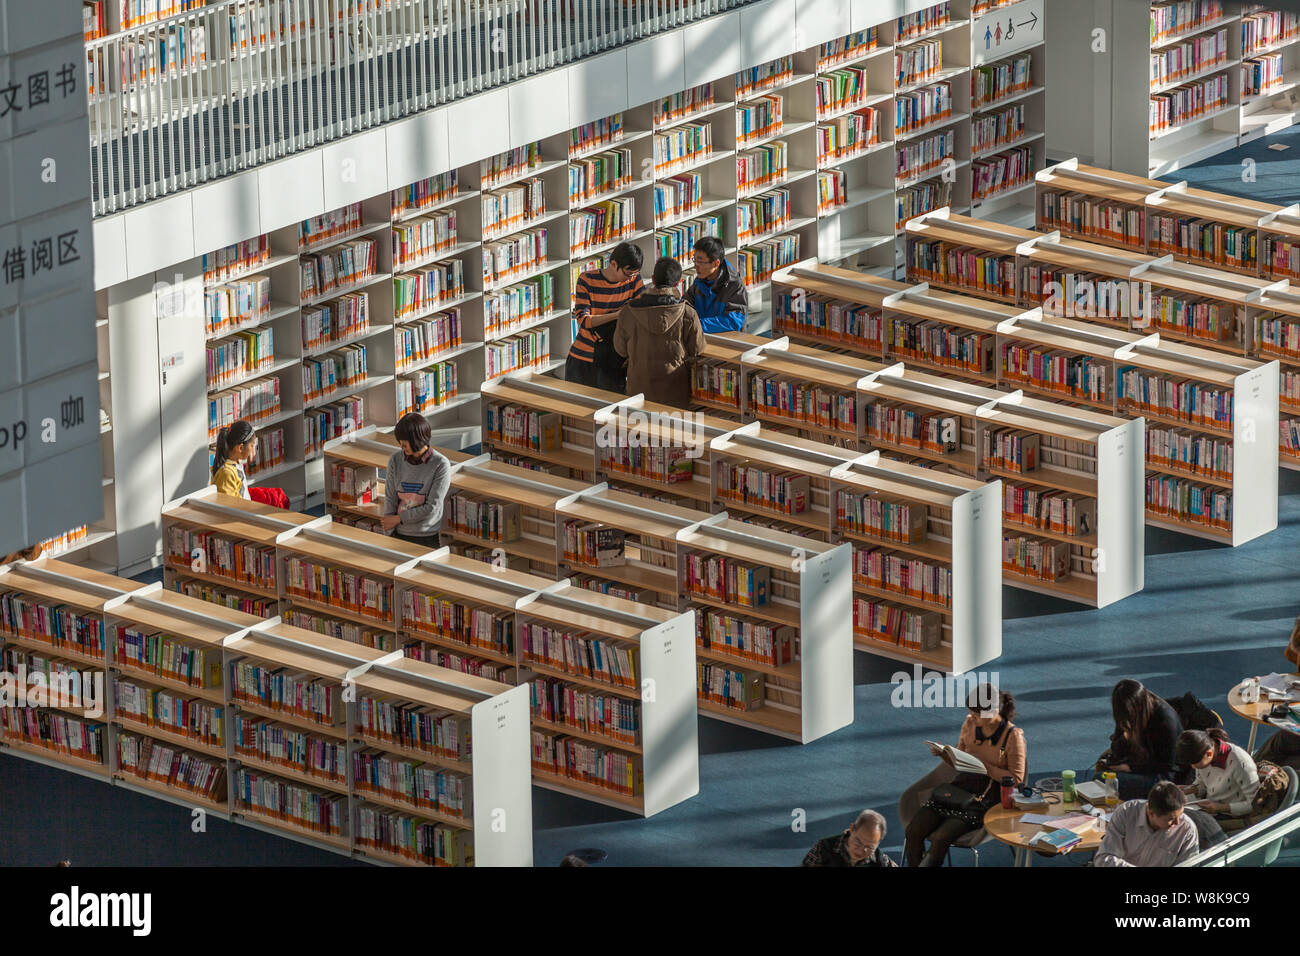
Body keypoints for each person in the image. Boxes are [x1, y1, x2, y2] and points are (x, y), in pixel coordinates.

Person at [904, 684, 1026, 867]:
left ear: (993, 711)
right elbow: (959, 759)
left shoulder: (1013, 735)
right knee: (913, 831)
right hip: (958, 790)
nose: (973, 719)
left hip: (985, 799)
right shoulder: (969, 723)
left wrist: (987, 768)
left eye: (977, 715)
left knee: (941, 839)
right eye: (971, 713)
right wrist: (944, 754)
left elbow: (1016, 779)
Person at [613, 256, 707, 408]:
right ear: (678, 283)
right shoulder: (687, 312)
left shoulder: (628, 311)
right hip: (674, 389)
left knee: (640, 430)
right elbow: (697, 349)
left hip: (638, 388)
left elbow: (620, 349)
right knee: (672, 430)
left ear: (652, 279)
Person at [565, 242, 644, 392]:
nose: (630, 278)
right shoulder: (587, 280)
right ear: (614, 264)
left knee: (612, 412)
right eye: (627, 273)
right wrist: (617, 315)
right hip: (584, 359)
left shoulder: (634, 279)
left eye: (634, 274)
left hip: (614, 359)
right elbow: (583, 320)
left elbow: (641, 310)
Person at [1097, 679, 1191, 799]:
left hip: (1165, 777)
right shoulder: (1131, 714)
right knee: (1105, 776)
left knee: (1101, 780)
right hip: (1143, 764)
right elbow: (1117, 748)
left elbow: (1168, 765)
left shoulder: (1165, 720)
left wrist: (1130, 768)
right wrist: (1125, 737)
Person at [381, 413, 451, 549]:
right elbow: (390, 497)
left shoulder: (441, 465)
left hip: (426, 536)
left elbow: (432, 507)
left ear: (416, 439)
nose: (401, 445)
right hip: (397, 532)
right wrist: (388, 530)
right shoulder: (395, 460)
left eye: (404, 441)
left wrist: (399, 519)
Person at [1093, 781, 1199, 867]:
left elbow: (1189, 864)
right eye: (1171, 819)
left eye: (1180, 815)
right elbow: (1104, 858)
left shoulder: (1187, 830)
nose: (1178, 822)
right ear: (1151, 813)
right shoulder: (1126, 813)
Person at [1175, 728, 1260, 830]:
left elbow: (1254, 804)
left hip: (1230, 814)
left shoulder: (1241, 763)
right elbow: (1203, 783)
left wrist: (1219, 807)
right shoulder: (1203, 756)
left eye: (1194, 762)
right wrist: (1190, 789)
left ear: (1209, 753)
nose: (1193, 767)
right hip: (1211, 806)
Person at [212, 420, 290, 508]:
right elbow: (228, 508)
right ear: (240, 448)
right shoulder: (226, 474)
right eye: (252, 445)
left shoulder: (236, 463)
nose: (254, 449)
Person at [684, 236, 748, 334]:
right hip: (702, 337)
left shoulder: (735, 286)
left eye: (700, 261)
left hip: (727, 341)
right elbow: (684, 306)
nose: (695, 266)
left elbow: (733, 321)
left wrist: (697, 325)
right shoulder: (699, 282)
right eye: (695, 260)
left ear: (716, 263)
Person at [802, 809, 896, 867]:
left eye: (870, 847)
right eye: (857, 842)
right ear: (851, 829)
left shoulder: (881, 861)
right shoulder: (823, 848)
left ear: (878, 843)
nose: (860, 851)